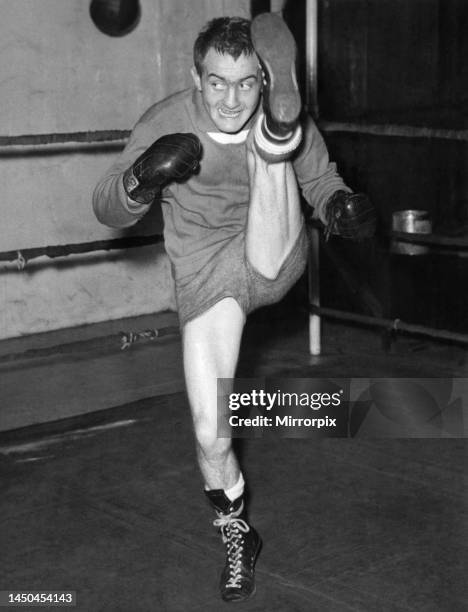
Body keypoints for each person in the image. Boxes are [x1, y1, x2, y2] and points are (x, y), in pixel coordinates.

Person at [93, 13, 376, 602]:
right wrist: (141, 182)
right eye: (217, 82)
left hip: (272, 247)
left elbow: (320, 180)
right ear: (196, 77)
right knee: (210, 432)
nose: (230, 97)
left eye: (248, 83)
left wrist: (339, 206)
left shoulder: (278, 110)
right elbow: (105, 206)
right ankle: (238, 534)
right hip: (205, 280)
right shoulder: (165, 121)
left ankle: (274, 139)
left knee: (271, 152)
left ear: (265, 80)